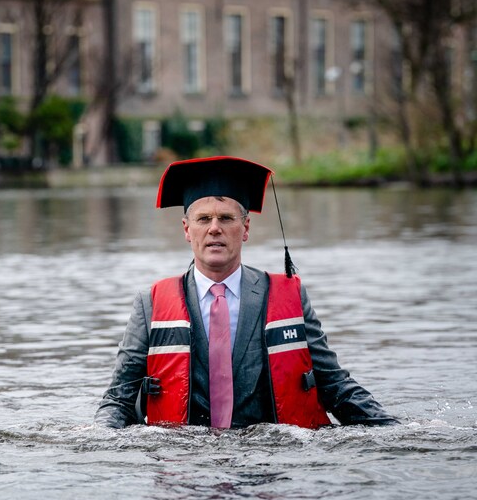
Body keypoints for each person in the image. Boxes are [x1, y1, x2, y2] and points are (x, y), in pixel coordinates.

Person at [95, 156, 399, 429]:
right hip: (185, 462)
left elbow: (333, 384)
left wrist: (397, 431)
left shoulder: (289, 297)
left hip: (266, 462)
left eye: (226, 218)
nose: (215, 228)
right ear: (187, 230)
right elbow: (119, 398)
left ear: (246, 228)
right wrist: (100, 439)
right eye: (204, 219)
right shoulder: (150, 304)